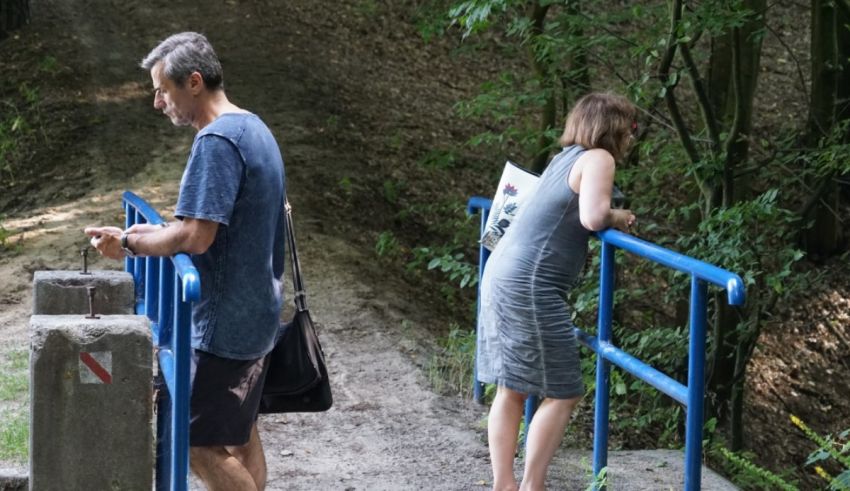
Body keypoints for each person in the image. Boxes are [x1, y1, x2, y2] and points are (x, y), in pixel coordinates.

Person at [84, 32, 285, 491]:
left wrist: (131, 248)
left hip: (223, 325)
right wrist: (141, 232)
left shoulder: (216, 142)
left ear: (193, 82)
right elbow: (208, 222)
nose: (158, 103)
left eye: (162, 89)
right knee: (238, 433)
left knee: (198, 444)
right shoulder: (252, 126)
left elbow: (196, 236)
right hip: (256, 312)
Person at [477, 92, 637, 491]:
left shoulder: (562, 157)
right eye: (631, 128)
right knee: (564, 391)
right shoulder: (599, 158)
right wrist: (619, 215)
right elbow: (594, 215)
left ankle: (505, 484)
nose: (634, 136)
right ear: (613, 128)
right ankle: (532, 486)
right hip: (530, 282)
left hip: (502, 271)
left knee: (512, 386)